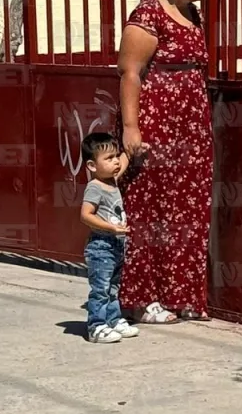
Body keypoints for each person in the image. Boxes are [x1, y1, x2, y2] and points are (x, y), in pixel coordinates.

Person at [116, 0, 213, 325]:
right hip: (157, 121)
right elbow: (130, 72)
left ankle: (181, 293)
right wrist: (131, 128)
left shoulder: (191, 12)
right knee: (149, 208)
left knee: (188, 207)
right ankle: (143, 299)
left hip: (190, 125)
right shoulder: (148, 13)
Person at [79, 131, 139, 343]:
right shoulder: (95, 188)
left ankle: (113, 320)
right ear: (92, 166)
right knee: (101, 289)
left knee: (113, 288)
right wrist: (110, 228)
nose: (115, 161)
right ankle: (95, 326)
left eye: (115, 156)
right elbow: (85, 215)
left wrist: (132, 149)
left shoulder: (112, 181)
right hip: (101, 248)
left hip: (116, 247)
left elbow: (123, 161)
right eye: (108, 158)